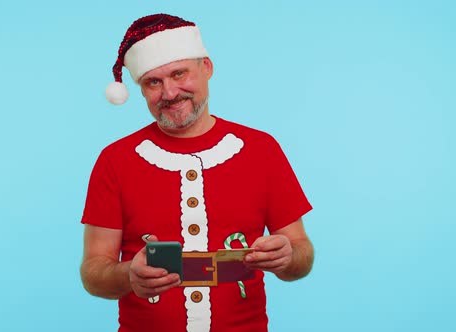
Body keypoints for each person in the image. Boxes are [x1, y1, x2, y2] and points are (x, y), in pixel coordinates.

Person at [80, 13, 314, 332]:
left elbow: (302, 253)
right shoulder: (115, 160)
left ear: (207, 68)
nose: (170, 93)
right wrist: (127, 275)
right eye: (153, 82)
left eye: (179, 74)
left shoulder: (262, 150)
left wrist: (288, 257)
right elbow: (94, 272)